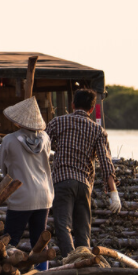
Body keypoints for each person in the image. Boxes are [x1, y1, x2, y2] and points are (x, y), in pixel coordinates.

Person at [45, 88, 121, 256]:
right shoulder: (98, 130)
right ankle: (83, 259)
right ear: (92, 109)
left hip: (63, 181)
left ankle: (71, 259)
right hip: (85, 184)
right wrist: (113, 192)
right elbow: (106, 162)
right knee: (83, 228)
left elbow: (42, 148)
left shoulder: (58, 122)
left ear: (72, 105)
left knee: (63, 224)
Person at [0, 97, 54, 268]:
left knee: (10, 240)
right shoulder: (45, 138)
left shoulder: (9, 140)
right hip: (44, 195)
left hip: (21, 196)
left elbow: (4, 168)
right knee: (39, 241)